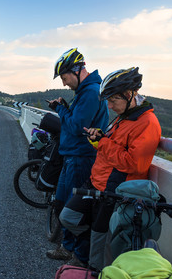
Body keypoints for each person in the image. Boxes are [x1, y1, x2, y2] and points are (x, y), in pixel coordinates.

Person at [59, 67, 162, 272]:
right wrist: (99, 137)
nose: (109, 105)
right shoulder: (124, 117)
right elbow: (112, 147)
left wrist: (103, 143)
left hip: (114, 192)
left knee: (98, 252)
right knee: (67, 216)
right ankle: (94, 245)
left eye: (113, 100)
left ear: (130, 95)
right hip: (96, 183)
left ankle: (94, 270)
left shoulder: (147, 123)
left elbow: (134, 164)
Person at [45, 48, 109, 266]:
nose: (64, 83)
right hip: (71, 156)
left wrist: (61, 110)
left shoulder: (91, 92)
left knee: (76, 210)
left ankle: (79, 258)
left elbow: (74, 126)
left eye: (64, 78)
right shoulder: (84, 92)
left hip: (81, 158)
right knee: (63, 204)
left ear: (77, 70)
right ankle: (67, 248)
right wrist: (64, 107)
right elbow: (76, 120)